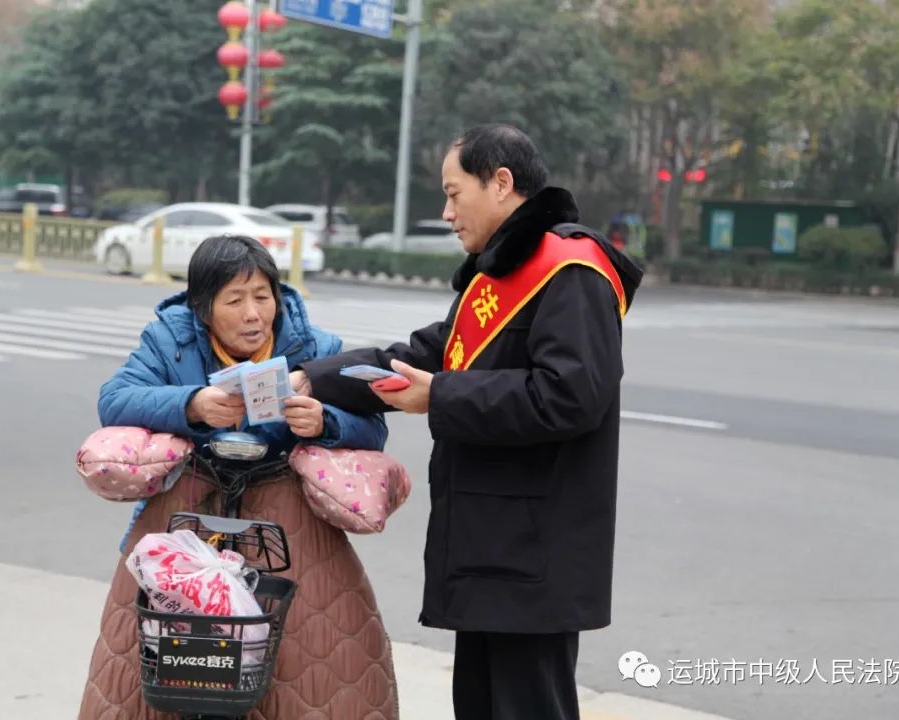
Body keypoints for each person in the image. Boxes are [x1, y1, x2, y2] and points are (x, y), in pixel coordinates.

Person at [290, 124, 643, 720]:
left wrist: (443, 397)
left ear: (501, 184)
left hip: (533, 551)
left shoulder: (572, 270)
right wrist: (313, 378)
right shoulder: (499, 273)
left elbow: (570, 396)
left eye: (455, 194)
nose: (447, 212)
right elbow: (426, 355)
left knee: (527, 706)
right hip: (491, 544)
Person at [79, 235, 399, 720]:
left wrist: (325, 422)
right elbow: (115, 399)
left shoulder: (316, 348)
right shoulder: (172, 339)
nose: (253, 313)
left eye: (262, 296)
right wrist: (191, 405)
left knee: (310, 651)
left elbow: (372, 427)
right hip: (191, 509)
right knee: (164, 650)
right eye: (235, 299)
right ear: (203, 309)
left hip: (287, 517)